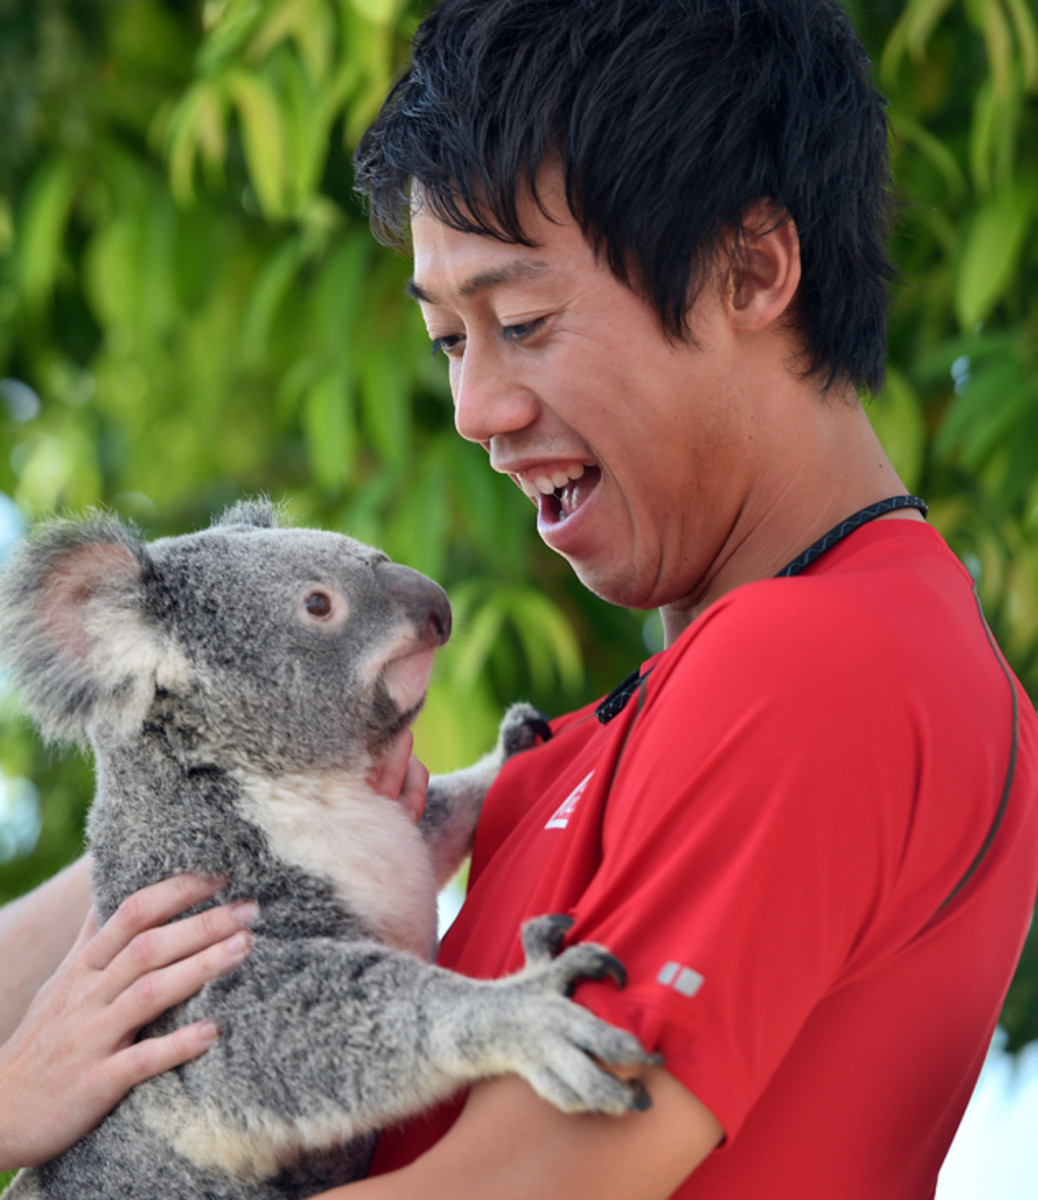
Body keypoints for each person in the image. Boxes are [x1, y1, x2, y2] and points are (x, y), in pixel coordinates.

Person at [1, 0, 1037, 1196]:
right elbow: (211, 892)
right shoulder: (595, 743)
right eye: (450, 340)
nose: (475, 412)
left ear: (750, 269)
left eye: (524, 322)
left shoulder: (821, 658)